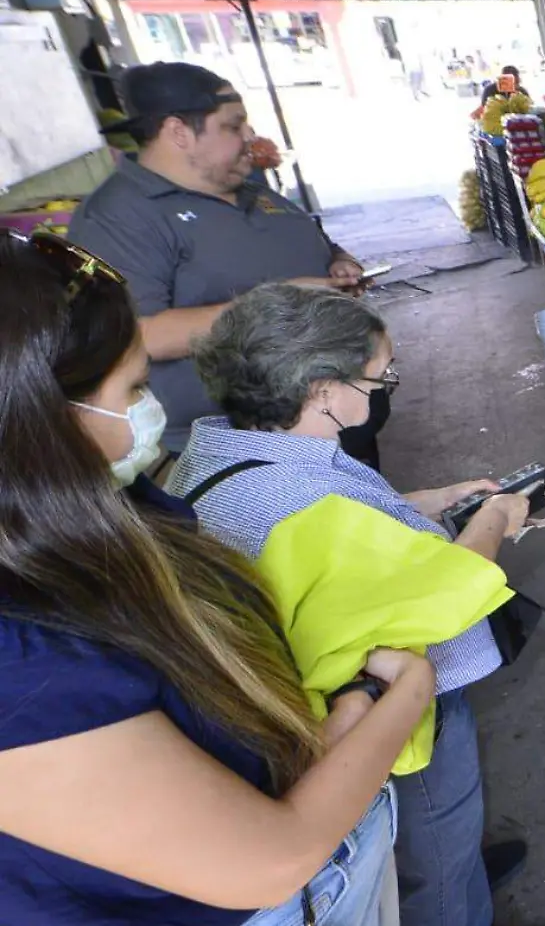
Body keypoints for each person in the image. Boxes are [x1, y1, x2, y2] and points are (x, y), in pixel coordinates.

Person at [0, 231, 435, 925]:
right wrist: (406, 694)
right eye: (134, 388)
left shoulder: (100, 508)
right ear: (37, 424)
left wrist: (343, 715)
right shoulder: (22, 668)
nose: (154, 412)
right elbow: (271, 860)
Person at [168, 284, 531, 926]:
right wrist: (497, 517)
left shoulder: (222, 451)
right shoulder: (302, 501)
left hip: (314, 700)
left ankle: (457, 871)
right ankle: (454, 899)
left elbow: (348, 515)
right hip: (388, 708)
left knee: (432, 842)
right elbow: (449, 587)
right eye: (378, 378)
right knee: (436, 839)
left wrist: (432, 501)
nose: (385, 389)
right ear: (323, 391)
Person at [65, 62, 390, 466]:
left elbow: (318, 244)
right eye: (233, 126)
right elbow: (138, 335)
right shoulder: (118, 217)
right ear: (178, 132)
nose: (249, 136)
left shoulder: (252, 189)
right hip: (244, 450)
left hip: (335, 413)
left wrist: (339, 263)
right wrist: (281, 301)